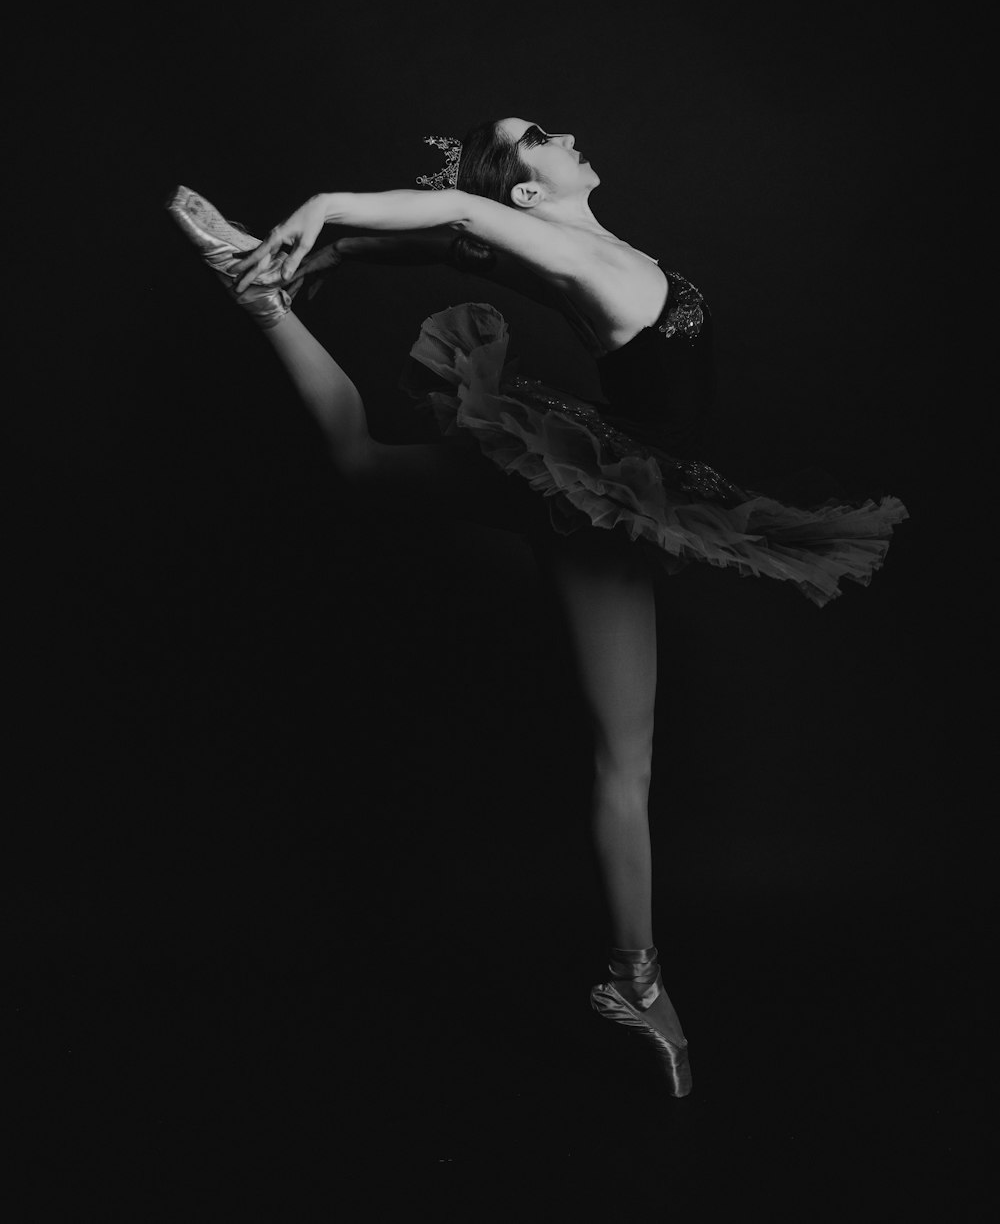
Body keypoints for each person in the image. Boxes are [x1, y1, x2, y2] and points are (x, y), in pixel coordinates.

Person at [167, 117, 908, 1099]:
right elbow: (458, 211)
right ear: (529, 194)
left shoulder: (577, 249)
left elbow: (450, 234)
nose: (564, 133)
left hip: (594, 475)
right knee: (624, 761)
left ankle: (261, 297)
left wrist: (334, 247)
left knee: (366, 465)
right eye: (538, 138)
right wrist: (327, 212)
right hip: (593, 500)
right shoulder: (559, 245)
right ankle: (634, 978)